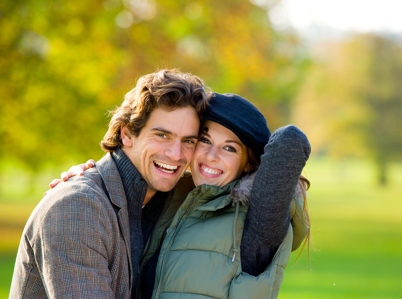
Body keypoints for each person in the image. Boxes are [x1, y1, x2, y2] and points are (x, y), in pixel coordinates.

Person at [52, 93, 311, 298]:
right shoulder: (171, 200)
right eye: (204, 140)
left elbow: (290, 141)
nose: (211, 156)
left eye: (230, 148)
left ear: (248, 163)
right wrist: (90, 177)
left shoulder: (256, 222)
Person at [9, 69, 211, 298]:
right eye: (162, 135)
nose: (176, 154)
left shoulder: (168, 202)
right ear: (127, 134)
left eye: (188, 141)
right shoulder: (78, 207)